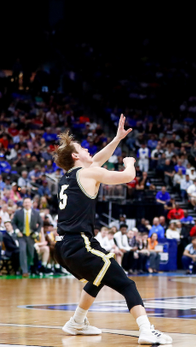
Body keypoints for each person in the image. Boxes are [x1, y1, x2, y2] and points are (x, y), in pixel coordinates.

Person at [52, 115, 172, 345]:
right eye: (82, 147)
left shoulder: (68, 177)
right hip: (81, 244)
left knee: (98, 278)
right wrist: (130, 163)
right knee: (127, 284)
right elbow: (128, 177)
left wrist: (117, 138)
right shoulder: (88, 173)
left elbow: (96, 160)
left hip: (65, 247)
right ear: (76, 155)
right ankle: (146, 330)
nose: (88, 149)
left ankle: (77, 321)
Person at [10, 197, 43, 276]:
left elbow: (41, 223)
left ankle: (27, 267)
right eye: (25, 202)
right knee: (22, 251)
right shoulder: (18, 213)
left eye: (28, 202)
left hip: (31, 236)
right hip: (22, 236)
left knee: (30, 253)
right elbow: (13, 222)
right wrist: (17, 231)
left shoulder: (36, 213)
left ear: (31, 204)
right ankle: (24, 271)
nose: (27, 204)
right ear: (23, 204)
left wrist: (37, 232)